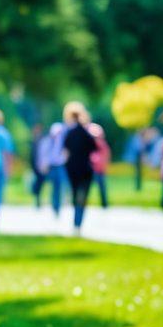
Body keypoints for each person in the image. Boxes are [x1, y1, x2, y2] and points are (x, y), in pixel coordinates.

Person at [61, 101, 97, 235]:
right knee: (83, 197)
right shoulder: (87, 133)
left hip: (72, 169)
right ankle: (79, 222)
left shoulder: (69, 133)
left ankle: (76, 222)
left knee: (75, 196)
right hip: (86, 169)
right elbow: (94, 149)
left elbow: (65, 152)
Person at [89, 122, 111, 208]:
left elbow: (105, 156)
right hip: (92, 169)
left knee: (102, 188)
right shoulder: (91, 144)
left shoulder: (102, 144)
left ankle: (104, 204)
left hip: (99, 169)